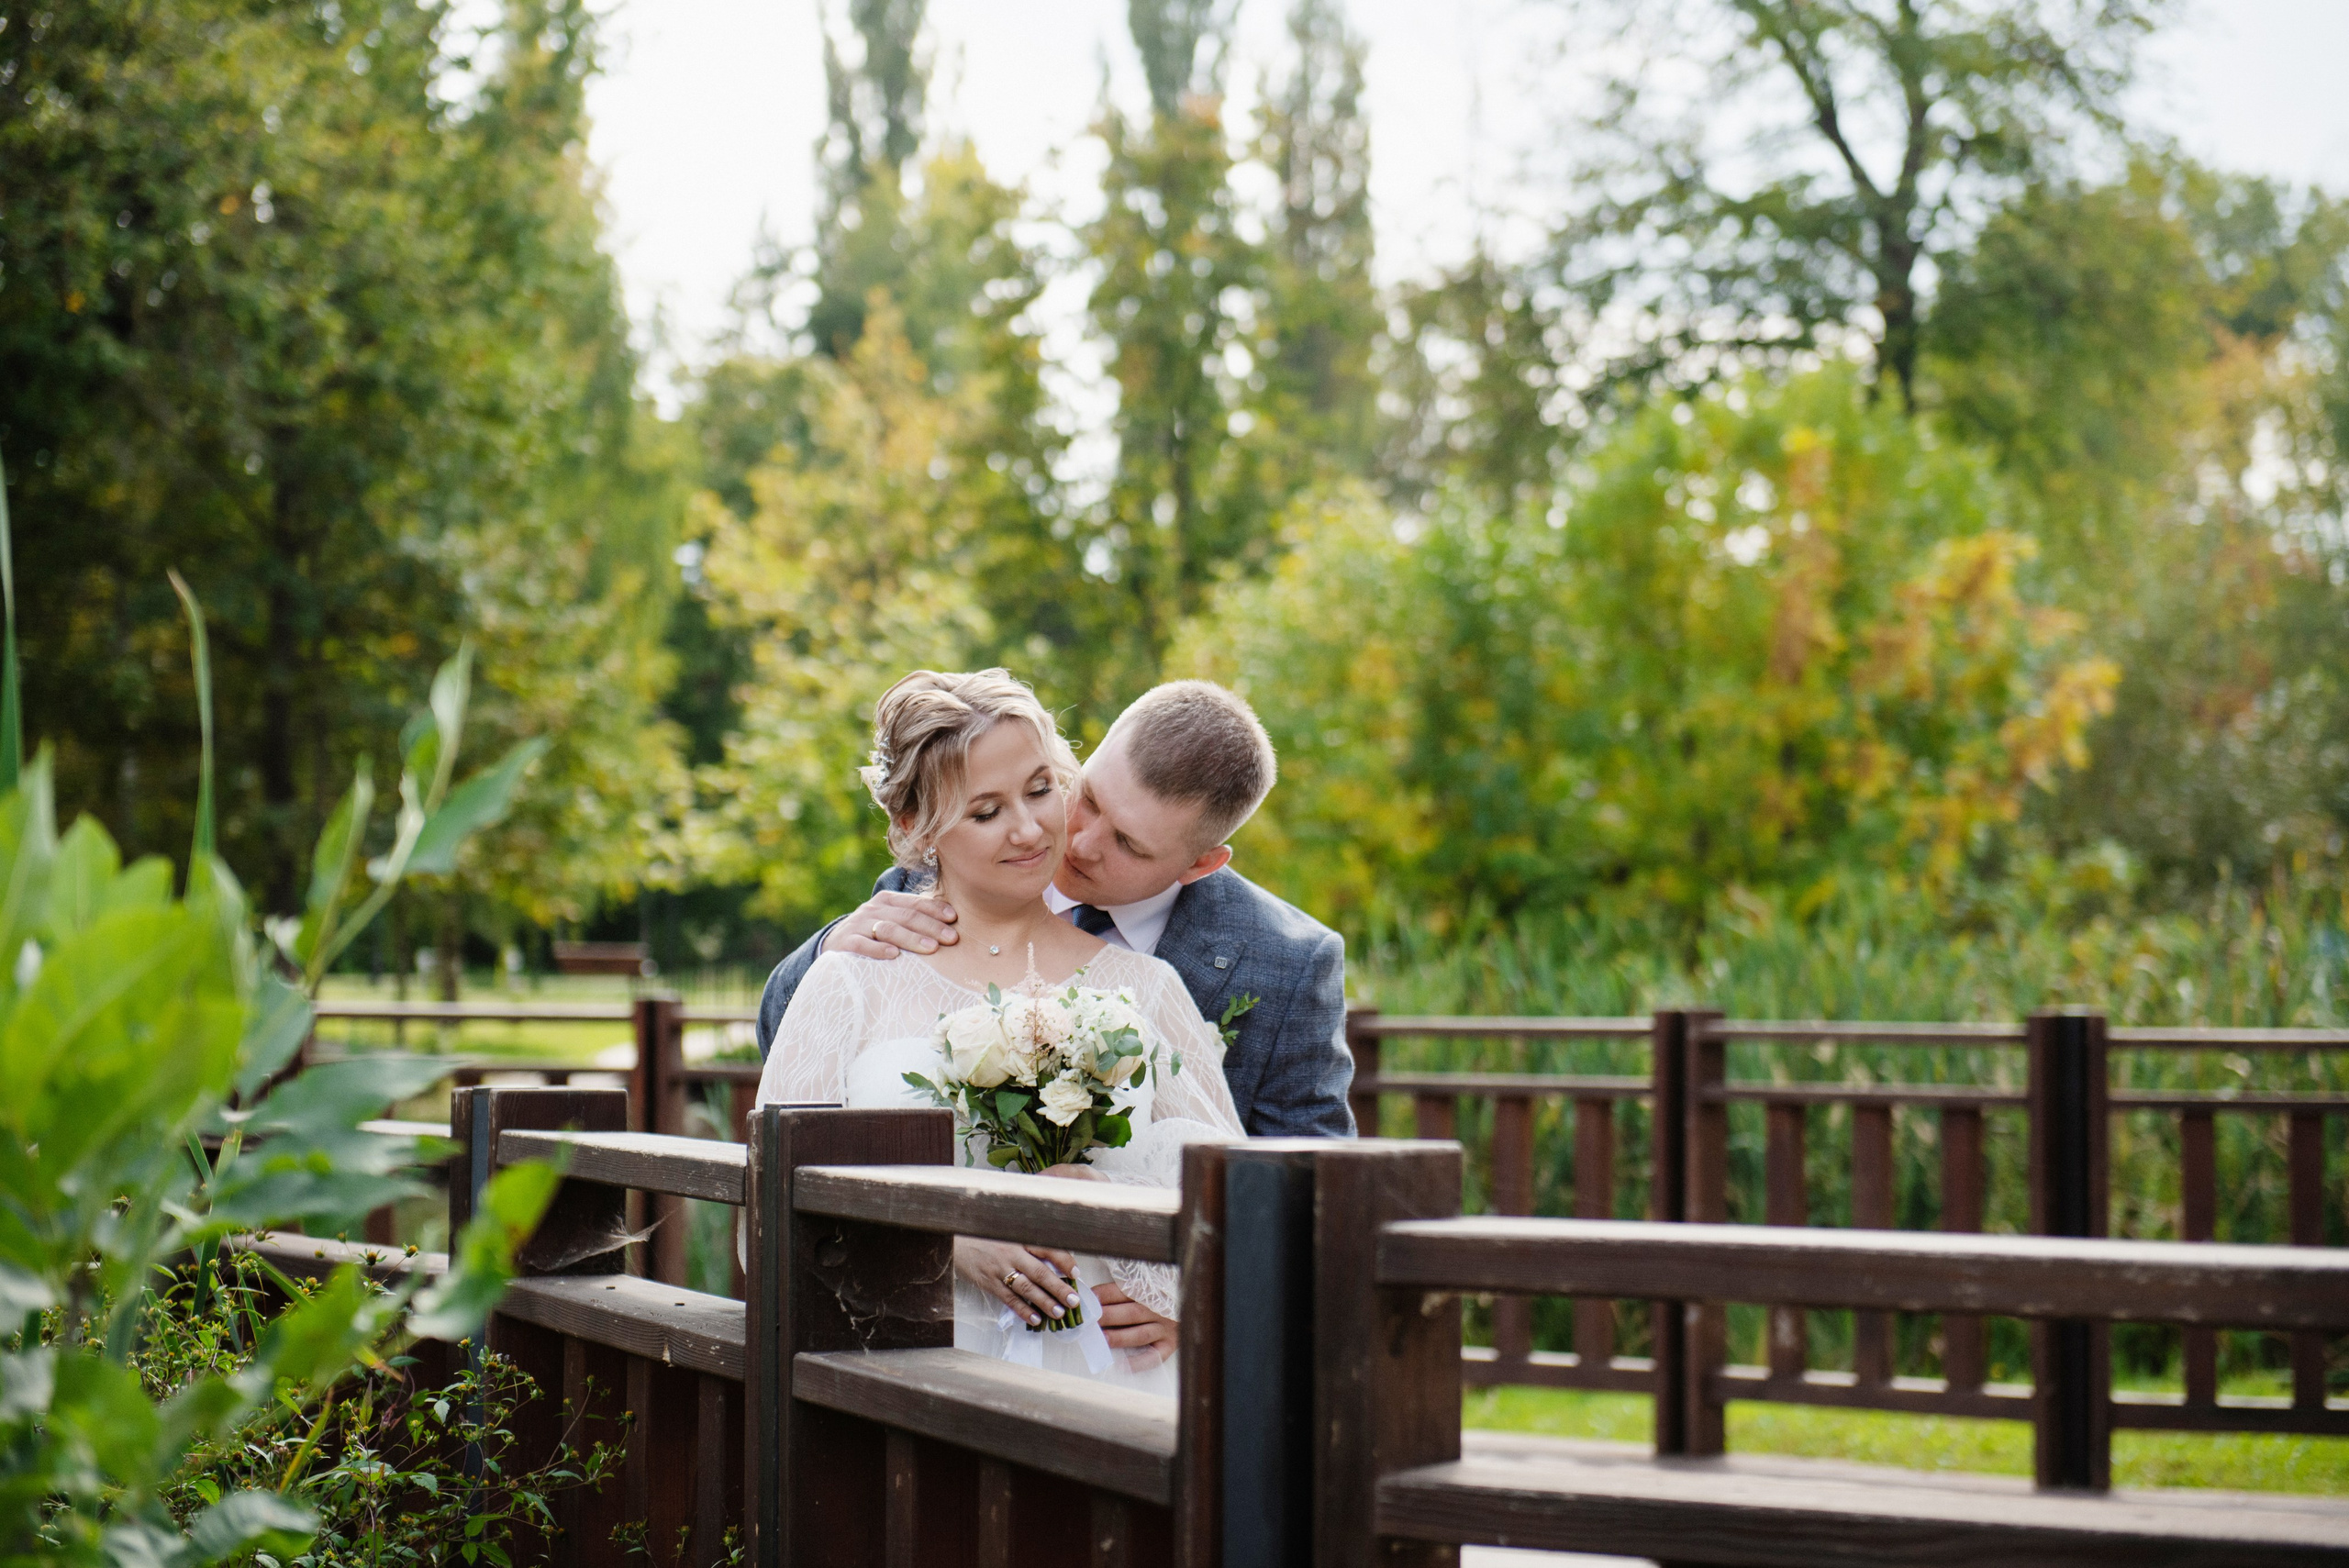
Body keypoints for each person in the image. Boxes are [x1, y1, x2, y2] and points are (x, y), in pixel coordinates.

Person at [754, 669, 1245, 1392]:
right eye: (985, 811)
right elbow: (766, 1221)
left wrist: (1172, 1285)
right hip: (915, 1375)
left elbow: (1240, 1211)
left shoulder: (1147, 988)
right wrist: (943, 1234)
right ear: (912, 828)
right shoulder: (850, 981)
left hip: (1121, 1386)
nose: (1030, 828)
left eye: (1043, 789)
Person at [758, 678, 1355, 1140]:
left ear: (1200, 864)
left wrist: (1185, 1299)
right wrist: (831, 946)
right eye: (1087, 797)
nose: (1080, 840)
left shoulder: (1287, 966)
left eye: (1128, 843)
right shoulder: (939, 871)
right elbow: (786, 1048)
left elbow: (1308, 1198)